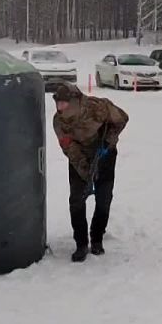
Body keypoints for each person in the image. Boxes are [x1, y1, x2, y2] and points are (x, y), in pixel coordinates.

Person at [52, 83, 129, 262]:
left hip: (105, 154)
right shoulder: (59, 121)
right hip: (79, 159)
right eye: (58, 103)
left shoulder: (97, 107)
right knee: (76, 201)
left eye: (64, 103)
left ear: (75, 101)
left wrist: (108, 142)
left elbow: (122, 118)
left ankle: (97, 239)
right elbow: (69, 148)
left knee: (104, 199)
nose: (60, 107)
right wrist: (87, 172)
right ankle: (81, 244)